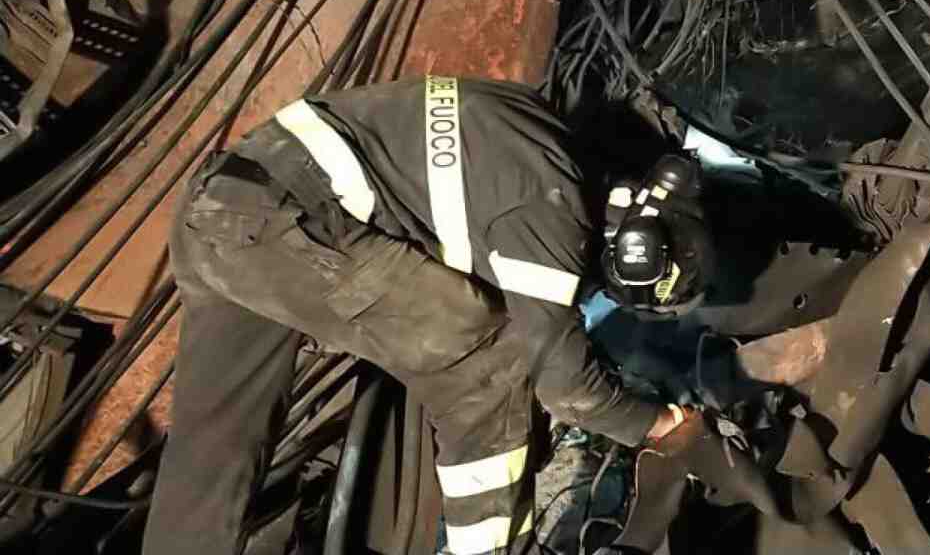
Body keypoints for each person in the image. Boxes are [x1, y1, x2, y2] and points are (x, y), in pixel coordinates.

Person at [143, 76, 712, 555]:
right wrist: (663, 426)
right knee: (491, 360)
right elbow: (564, 387)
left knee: (214, 447)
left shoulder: (532, 133)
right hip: (286, 224)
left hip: (221, 205)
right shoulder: (547, 204)